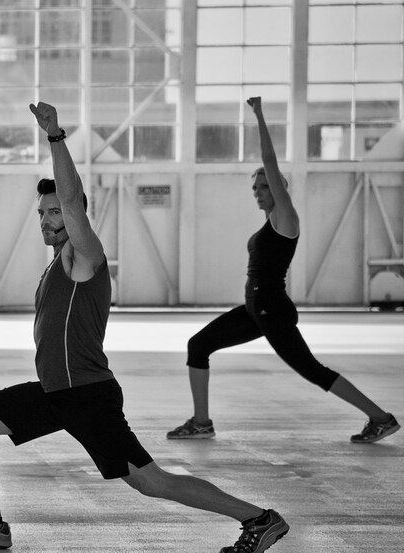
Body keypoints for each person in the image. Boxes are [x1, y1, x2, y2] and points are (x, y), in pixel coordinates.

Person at [0, 101, 289, 553]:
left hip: (86, 395)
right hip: (56, 391)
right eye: (41, 213)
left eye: (55, 212)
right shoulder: (56, 265)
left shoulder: (84, 258)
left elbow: (71, 199)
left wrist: (55, 136)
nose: (47, 219)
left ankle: (257, 518)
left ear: (75, 214)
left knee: (151, 482)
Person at [168, 97, 399, 445]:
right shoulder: (268, 226)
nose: (259, 192)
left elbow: (270, 161)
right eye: (255, 188)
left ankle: (380, 418)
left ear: (279, 189)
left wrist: (259, 115)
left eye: (265, 186)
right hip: (256, 309)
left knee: (311, 370)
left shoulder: (285, 219)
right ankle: (201, 422)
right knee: (198, 345)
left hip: (271, 309)